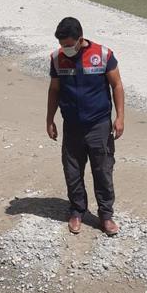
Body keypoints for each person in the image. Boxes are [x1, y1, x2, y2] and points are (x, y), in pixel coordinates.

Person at [46, 16, 125, 237]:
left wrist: (120, 118)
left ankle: (106, 216)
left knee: (103, 171)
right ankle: (77, 211)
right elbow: (54, 90)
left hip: (99, 125)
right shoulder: (57, 58)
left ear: (80, 39)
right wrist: (49, 119)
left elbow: (117, 85)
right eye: (62, 45)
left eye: (69, 45)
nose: (65, 49)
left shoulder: (103, 55)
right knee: (72, 172)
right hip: (72, 126)